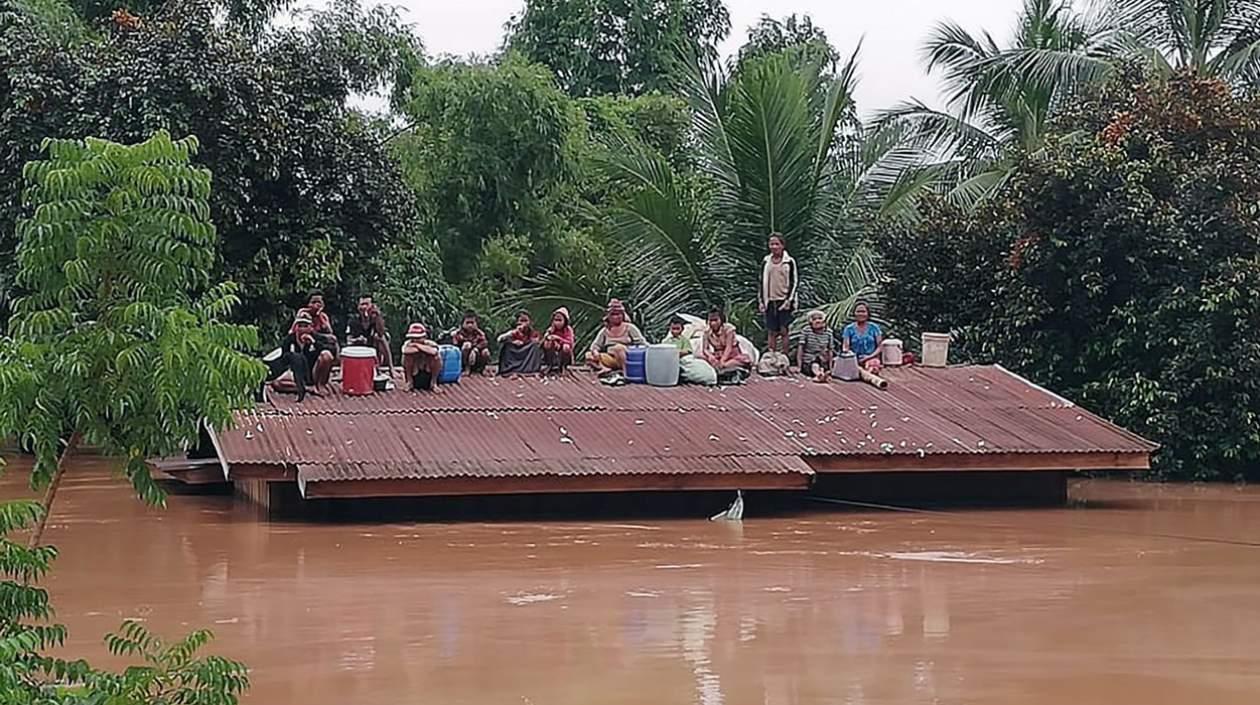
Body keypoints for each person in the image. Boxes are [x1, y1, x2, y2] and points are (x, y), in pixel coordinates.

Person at [268, 311, 334, 401]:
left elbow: (332, 350)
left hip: (313, 371)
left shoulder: (317, 337)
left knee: (326, 355)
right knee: (277, 383)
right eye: (300, 326)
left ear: (311, 328)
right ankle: (307, 389)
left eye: (305, 326)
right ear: (296, 327)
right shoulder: (289, 339)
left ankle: (320, 385)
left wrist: (314, 343)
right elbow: (283, 358)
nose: (302, 329)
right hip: (296, 373)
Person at [758, 233, 798, 358]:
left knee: (784, 330)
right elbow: (760, 282)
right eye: (771, 244)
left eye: (777, 244)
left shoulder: (789, 262)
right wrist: (761, 301)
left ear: (782, 245)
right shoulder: (766, 261)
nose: (774, 247)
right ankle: (771, 356)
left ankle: (784, 357)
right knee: (771, 331)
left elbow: (794, 281)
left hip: (784, 300)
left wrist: (789, 300)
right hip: (770, 300)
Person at [585, 299, 646, 374]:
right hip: (611, 359)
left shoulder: (630, 327)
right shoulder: (605, 331)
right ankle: (603, 368)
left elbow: (642, 342)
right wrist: (595, 352)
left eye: (618, 314)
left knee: (618, 348)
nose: (616, 317)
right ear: (609, 316)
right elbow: (595, 345)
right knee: (588, 355)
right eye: (613, 314)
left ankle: (626, 372)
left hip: (627, 357)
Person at [664, 315, 718, 386]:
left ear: (682, 329)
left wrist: (678, 352)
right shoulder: (667, 341)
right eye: (673, 329)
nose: (675, 331)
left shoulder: (684, 340)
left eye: (677, 329)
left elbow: (688, 351)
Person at [699, 307, 752, 378]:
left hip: (732, 355)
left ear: (721, 319)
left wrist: (722, 360)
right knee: (701, 359)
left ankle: (736, 369)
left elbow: (728, 347)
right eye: (710, 320)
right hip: (717, 355)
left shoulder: (729, 329)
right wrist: (710, 356)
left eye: (715, 320)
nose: (713, 323)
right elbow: (705, 349)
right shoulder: (707, 332)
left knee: (725, 365)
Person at [345, 294, 390, 369]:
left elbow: (381, 333)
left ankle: (389, 367)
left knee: (381, 338)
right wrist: (357, 340)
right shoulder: (353, 320)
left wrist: (377, 316)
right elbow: (348, 340)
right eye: (362, 304)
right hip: (357, 349)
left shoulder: (376, 319)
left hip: (372, 349)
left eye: (367, 304)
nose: (364, 307)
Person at [497, 310, 543, 376]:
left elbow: (538, 342)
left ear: (530, 322)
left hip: (527, 353)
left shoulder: (534, 333)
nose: (523, 323)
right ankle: (509, 369)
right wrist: (513, 339)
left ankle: (529, 369)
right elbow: (499, 339)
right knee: (507, 346)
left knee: (534, 346)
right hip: (515, 353)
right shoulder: (513, 332)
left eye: (525, 321)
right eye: (521, 321)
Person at [842, 300, 883, 370]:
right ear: (854, 313)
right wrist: (850, 356)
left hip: (871, 358)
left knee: (872, 365)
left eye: (863, 311)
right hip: (853, 359)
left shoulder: (874, 328)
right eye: (858, 311)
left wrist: (868, 357)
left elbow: (880, 346)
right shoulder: (849, 329)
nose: (860, 314)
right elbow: (846, 346)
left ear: (868, 313)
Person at [401, 322, 442, 391]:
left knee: (436, 357)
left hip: (428, 372)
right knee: (407, 357)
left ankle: (433, 383)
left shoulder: (430, 343)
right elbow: (406, 351)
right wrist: (422, 349)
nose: (415, 340)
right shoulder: (408, 343)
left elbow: (434, 352)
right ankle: (409, 382)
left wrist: (417, 346)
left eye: (418, 338)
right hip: (415, 372)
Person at [798, 309, 835, 383]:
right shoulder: (806, 331)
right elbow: (800, 348)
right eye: (814, 319)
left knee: (822, 364)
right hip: (809, 359)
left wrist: (830, 367)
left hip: (822, 359)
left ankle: (822, 374)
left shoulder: (829, 333)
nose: (817, 321)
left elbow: (830, 350)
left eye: (820, 318)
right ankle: (819, 375)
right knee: (814, 365)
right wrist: (799, 366)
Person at [452, 311, 490, 375]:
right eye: (467, 323)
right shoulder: (458, 333)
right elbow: (455, 344)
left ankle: (482, 369)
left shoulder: (480, 333)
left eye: (472, 323)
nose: (470, 325)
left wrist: (475, 349)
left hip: (476, 356)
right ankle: (466, 368)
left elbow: (484, 343)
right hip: (463, 357)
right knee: (467, 345)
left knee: (486, 352)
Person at [541, 307, 575, 375]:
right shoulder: (551, 329)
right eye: (556, 320)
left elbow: (570, 342)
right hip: (554, 350)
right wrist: (548, 336)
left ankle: (563, 366)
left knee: (566, 347)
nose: (557, 323)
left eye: (560, 320)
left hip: (563, 351)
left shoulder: (568, 330)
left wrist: (558, 338)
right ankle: (550, 365)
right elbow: (543, 340)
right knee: (547, 343)